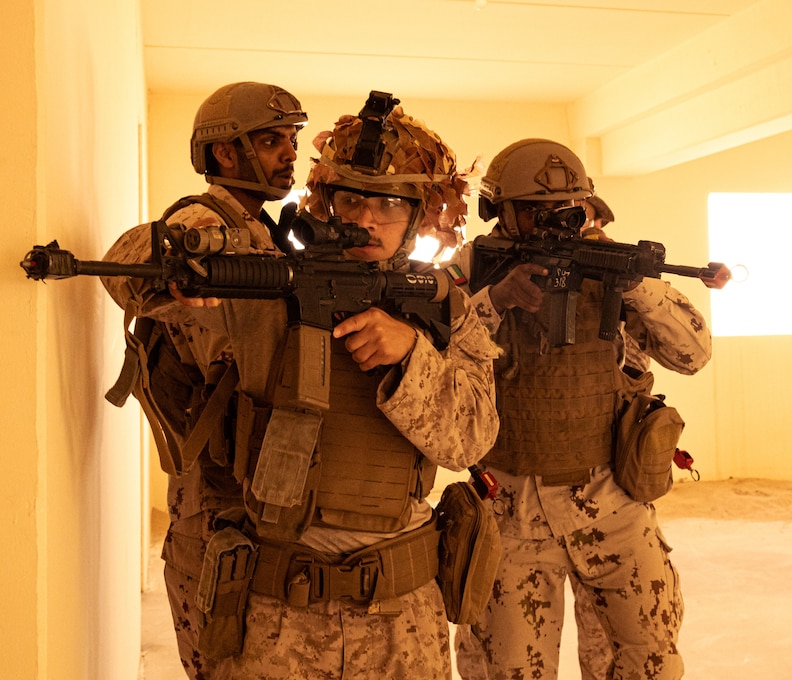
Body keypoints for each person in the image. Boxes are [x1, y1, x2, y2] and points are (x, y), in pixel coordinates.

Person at [105, 94, 500, 678]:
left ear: (420, 212)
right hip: (275, 604)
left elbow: (472, 441)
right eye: (350, 199)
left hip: (403, 607)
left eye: (389, 203)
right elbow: (130, 263)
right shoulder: (269, 285)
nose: (365, 219)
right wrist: (187, 257)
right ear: (324, 202)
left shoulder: (442, 308)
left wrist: (410, 356)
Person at [448, 138, 712, 679]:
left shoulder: (609, 265)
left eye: (565, 209)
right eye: (534, 211)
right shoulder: (473, 268)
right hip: (509, 507)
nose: (552, 222)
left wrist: (636, 286)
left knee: (648, 663)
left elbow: (693, 354)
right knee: (511, 672)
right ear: (500, 212)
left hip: (612, 498)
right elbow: (433, 366)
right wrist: (496, 300)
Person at [101, 80, 307, 679]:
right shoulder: (203, 221)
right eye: (271, 141)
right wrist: (173, 278)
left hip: (257, 480)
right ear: (224, 153)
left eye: (291, 140)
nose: (288, 153)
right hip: (213, 499)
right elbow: (129, 260)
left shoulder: (263, 229)